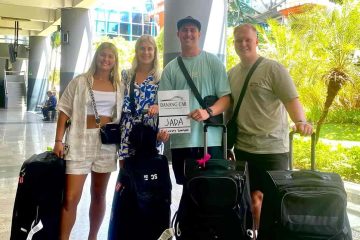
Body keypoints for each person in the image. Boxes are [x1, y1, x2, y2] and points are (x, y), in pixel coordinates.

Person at [227, 23, 313, 230]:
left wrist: (300, 121)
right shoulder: (231, 74)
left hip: (273, 149)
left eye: (248, 39)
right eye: (239, 40)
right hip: (243, 148)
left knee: (274, 203)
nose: (243, 44)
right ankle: (257, 234)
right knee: (251, 199)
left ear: (256, 41)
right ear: (234, 44)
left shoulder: (273, 68)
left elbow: (291, 99)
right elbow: (229, 109)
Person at [53, 42, 124, 240]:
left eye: (111, 56)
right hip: (79, 140)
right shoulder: (81, 81)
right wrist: (58, 140)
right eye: (103, 55)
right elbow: (64, 110)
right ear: (96, 57)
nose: (106, 59)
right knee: (71, 197)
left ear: (115, 61)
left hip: (106, 144)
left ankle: (92, 237)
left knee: (99, 195)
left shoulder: (119, 86)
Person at [159, 16, 231, 185]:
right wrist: (165, 128)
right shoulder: (170, 69)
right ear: (178, 34)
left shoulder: (213, 62)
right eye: (184, 30)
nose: (188, 33)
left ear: (199, 34)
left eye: (192, 30)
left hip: (211, 139)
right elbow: (166, 105)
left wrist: (208, 112)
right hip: (182, 141)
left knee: (213, 189)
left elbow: (226, 99)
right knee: (187, 189)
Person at [118, 34, 169, 165]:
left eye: (149, 48)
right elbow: (118, 101)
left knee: (149, 174)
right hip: (127, 130)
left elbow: (168, 104)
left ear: (155, 52)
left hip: (151, 132)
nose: (146, 52)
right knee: (127, 175)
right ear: (136, 51)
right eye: (142, 48)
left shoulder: (161, 77)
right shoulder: (126, 75)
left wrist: (164, 130)